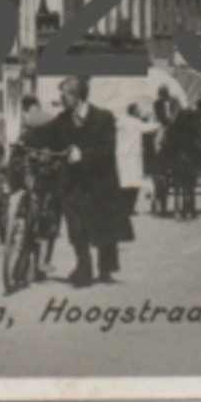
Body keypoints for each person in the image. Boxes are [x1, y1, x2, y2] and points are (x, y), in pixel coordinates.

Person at [43, 76, 130, 286]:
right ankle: (84, 268)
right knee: (76, 226)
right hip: (73, 182)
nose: (61, 99)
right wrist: (22, 141)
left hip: (100, 181)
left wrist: (83, 155)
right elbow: (44, 133)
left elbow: (107, 148)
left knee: (105, 227)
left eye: (64, 95)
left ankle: (106, 269)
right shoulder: (63, 119)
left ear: (76, 96)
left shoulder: (103, 118)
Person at [12, 95, 62, 278]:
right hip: (47, 164)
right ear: (37, 104)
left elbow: (21, 142)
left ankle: (23, 209)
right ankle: (44, 261)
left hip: (31, 164)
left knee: (31, 199)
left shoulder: (26, 118)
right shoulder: (50, 116)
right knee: (51, 212)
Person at [117, 100, 162, 216]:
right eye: (138, 110)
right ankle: (130, 207)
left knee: (124, 181)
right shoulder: (136, 123)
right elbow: (150, 128)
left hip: (122, 155)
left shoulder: (121, 122)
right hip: (133, 155)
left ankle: (123, 207)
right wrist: (158, 122)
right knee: (135, 182)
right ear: (134, 111)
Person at [162, 99, 201, 219]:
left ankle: (178, 206)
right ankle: (190, 207)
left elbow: (169, 140)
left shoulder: (175, 122)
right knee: (190, 183)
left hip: (179, 152)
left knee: (178, 182)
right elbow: (199, 138)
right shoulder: (194, 118)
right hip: (189, 152)